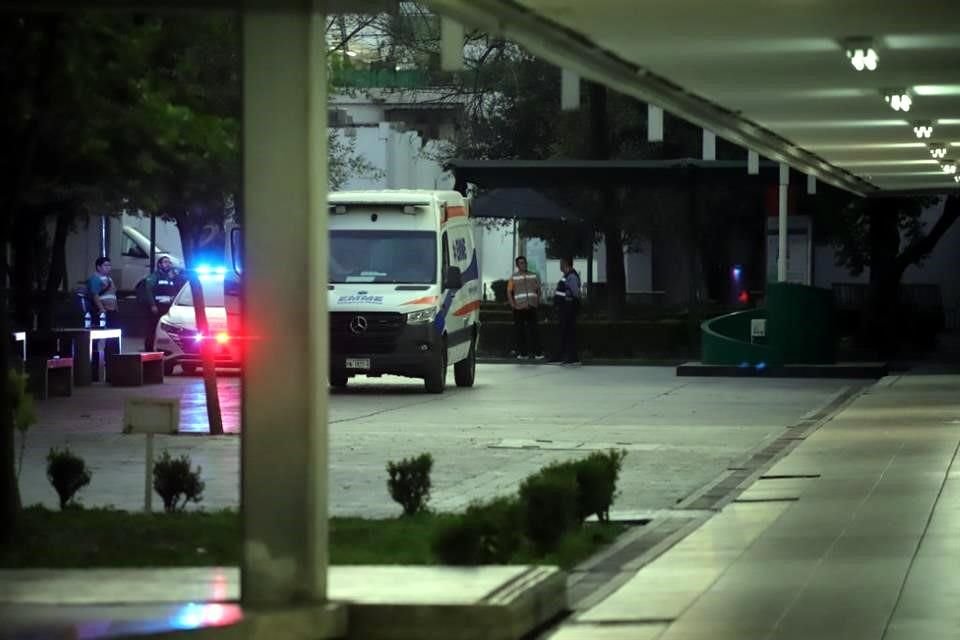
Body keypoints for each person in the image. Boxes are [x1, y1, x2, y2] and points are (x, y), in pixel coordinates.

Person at [140, 256, 185, 351]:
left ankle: (164, 349)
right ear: (159, 264)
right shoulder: (154, 276)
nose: (168, 264)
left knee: (165, 329)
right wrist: (152, 305)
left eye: (169, 262)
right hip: (157, 307)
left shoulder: (170, 277)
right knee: (152, 328)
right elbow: (148, 290)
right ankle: (149, 349)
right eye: (165, 262)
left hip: (167, 307)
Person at [507, 255, 543, 359]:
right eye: (521, 263)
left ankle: (538, 353)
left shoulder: (533, 275)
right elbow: (509, 292)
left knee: (534, 331)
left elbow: (539, 289)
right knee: (520, 331)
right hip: (519, 308)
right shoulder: (513, 277)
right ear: (517, 265)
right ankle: (523, 354)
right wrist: (513, 305)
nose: (524, 264)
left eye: (525, 262)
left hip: (532, 306)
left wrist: (537, 301)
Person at [553, 257, 582, 365]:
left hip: (569, 309)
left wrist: (572, 305)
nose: (559, 265)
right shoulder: (567, 276)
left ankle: (573, 358)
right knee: (565, 333)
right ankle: (566, 357)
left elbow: (576, 293)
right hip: (564, 309)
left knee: (570, 333)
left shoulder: (571, 276)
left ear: (565, 263)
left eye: (560, 263)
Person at [86, 257, 118, 328]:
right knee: (104, 331)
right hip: (103, 311)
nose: (108, 267)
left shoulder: (109, 279)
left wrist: (116, 307)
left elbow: (113, 294)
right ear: (98, 267)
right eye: (105, 265)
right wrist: (101, 309)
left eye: (109, 265)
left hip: (112, 310)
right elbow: (95, 295)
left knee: (112, 332)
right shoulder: (95, 278)